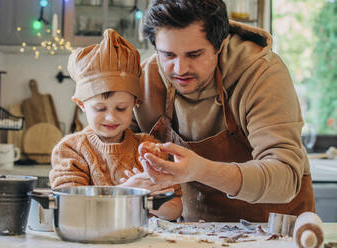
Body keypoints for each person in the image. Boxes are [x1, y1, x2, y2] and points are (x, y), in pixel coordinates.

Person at [125, 0, 315, 222]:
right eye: (168, 55)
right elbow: (116, 153)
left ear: (220, 45)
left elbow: (285, 178)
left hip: (276, 231)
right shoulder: (145, 80)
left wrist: (201, 170)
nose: (180, 69)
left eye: (194, 55)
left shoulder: (261, 73)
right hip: (196, 233)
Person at [49, 29, 182, 221]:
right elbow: (71, 209)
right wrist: (128, 193)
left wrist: (148, 197)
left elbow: (175, 209)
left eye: (121, 108)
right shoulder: (71, 150)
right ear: (81, 104)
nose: (110, 117)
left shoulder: (148, 148)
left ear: (135, 104)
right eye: (100, 109)